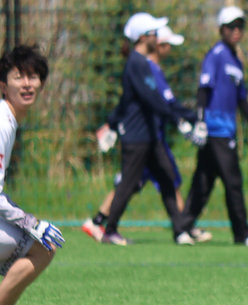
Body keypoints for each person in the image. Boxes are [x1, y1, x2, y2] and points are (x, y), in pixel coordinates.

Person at [83, 24, 210, 245]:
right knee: (128, 183)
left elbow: (135, 100)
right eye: (153, 34)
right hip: (138, 135)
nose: (157, 38)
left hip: (150, 136)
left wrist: (112, 124)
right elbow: (151, 99)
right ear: (142, 37)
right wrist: (180, 122)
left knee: (167, 178)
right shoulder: (137, 63)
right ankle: (107, 228)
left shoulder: (140, 63)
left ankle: (180, 230)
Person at [179, 5, 248, 247]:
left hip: (227, 129)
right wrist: (200, 121)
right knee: (233, 181)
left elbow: (242, 100)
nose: (236, 31)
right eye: (231, 27)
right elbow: (203, 89)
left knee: (203, 181)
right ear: (221, 29)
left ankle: (182, 228)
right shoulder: (216, 54)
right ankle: (243, 234)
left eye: (240, 26)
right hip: (216, 130)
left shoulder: (236, 60)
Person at [0, 45, 65, 305]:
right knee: (42, 246)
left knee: (39, 245)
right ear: (3, 85)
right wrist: (32, 223)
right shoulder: (2, 123)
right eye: (19, 77)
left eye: (34, 76)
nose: (27, 84)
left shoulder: (8, 119)